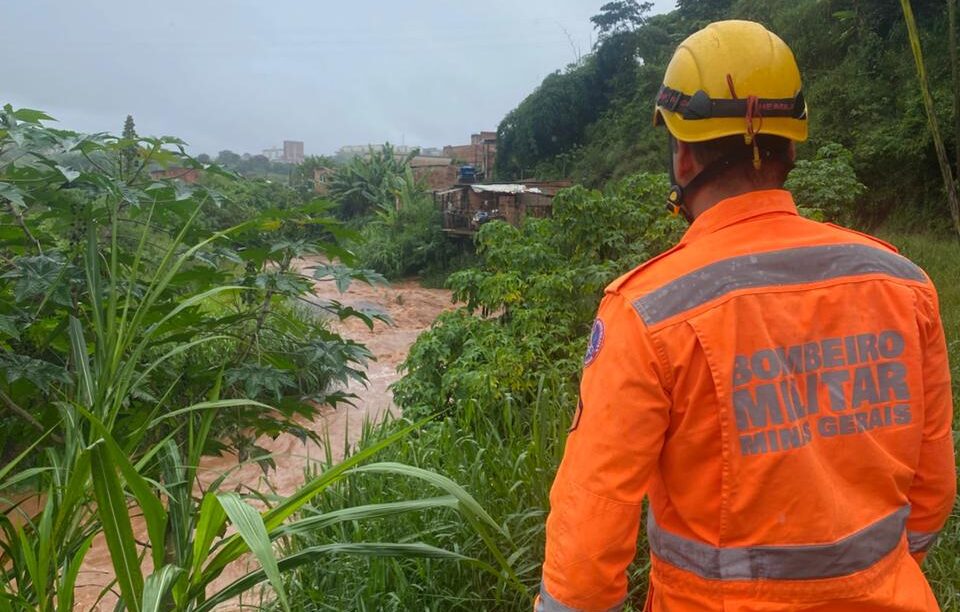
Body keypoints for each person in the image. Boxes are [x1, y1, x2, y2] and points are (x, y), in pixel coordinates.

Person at [536, 20, 956, 612]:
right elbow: (931, 494)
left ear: (682, 157)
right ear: (789, 148)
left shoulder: (647, 312)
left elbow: (585, 557)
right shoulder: (904, 284)